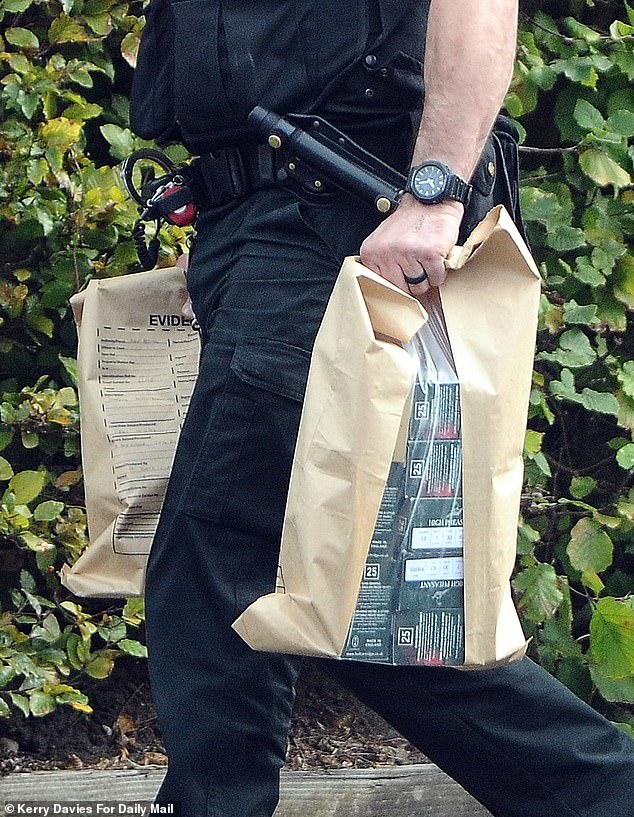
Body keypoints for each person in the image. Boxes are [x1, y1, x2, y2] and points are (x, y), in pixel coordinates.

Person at [131, 1, 634, 815]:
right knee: (335, 584)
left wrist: (435, 192)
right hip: (261, 218)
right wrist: (225, 231)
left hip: (347, 207)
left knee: (218, 552)